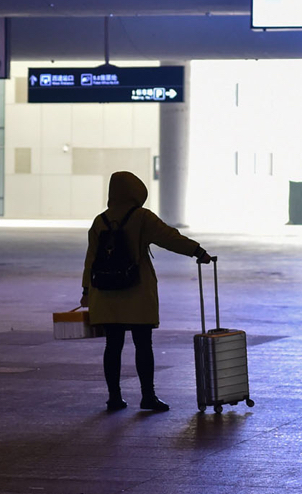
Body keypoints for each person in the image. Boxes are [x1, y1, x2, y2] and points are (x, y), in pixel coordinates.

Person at [81, 172, 212, 413]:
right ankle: (148, 396)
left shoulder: (100, 221)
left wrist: (86, 290)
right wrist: (197, 251)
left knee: (113, 345)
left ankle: (114, 397)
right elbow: (170, 238)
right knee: (143, 344)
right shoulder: (141, 217)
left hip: (106, 291)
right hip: (135, 291)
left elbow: (91, 259)